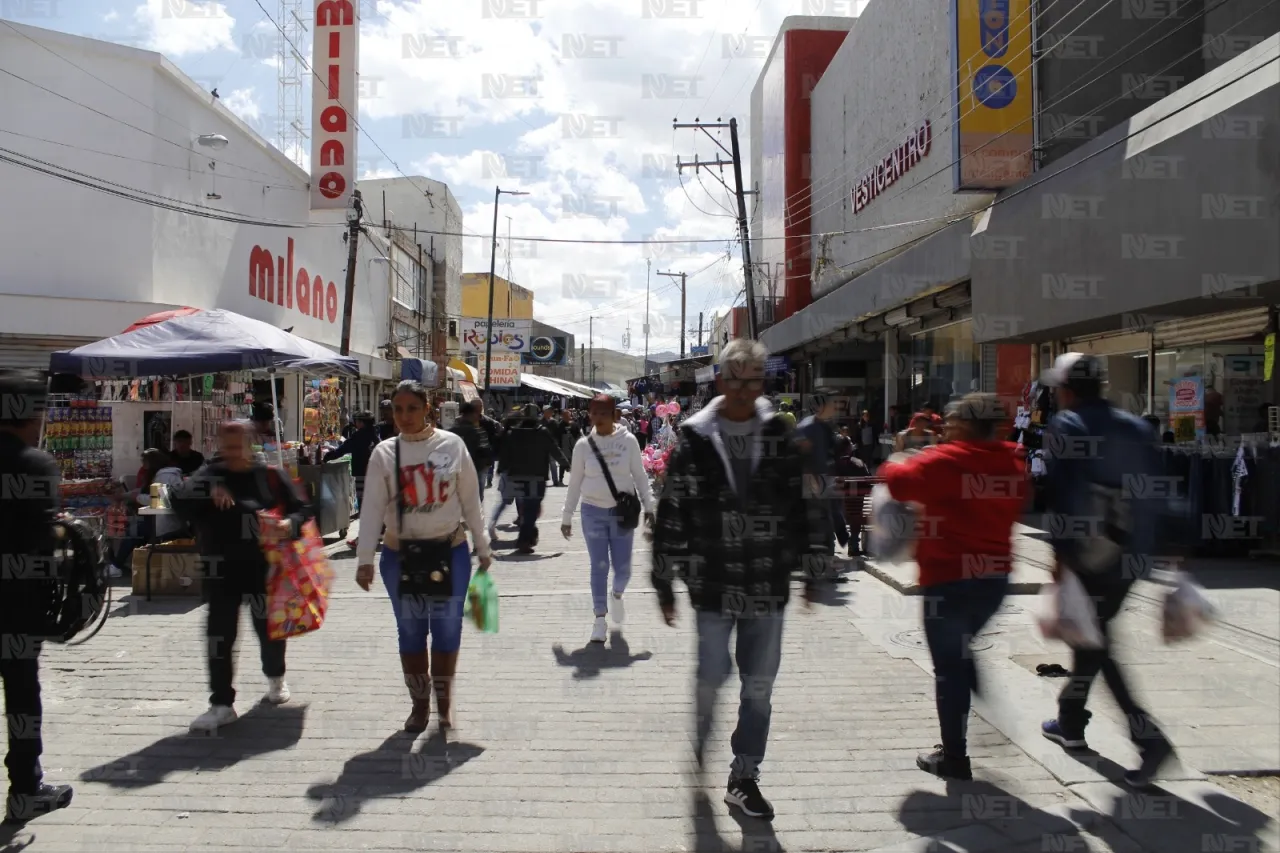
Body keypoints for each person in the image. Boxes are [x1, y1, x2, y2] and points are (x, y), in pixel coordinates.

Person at [652, 340, 826, 820]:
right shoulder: (695, 439)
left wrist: (814, 568)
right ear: (721, 381)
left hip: (767, 585)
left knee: (759, 687)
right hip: (711, 585)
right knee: (711, 678)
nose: (746, 389)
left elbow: (803, 506)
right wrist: (664, 580)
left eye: (755, 380)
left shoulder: (778, 437)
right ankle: (702, 742)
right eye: (737, 379)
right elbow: (672, 512)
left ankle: (743, 776)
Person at [1037, 353, 1176, 788]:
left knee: (1097, 644)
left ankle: (1150, 741)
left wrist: (1060, 560)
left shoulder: (1067, 426)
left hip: (1090, 553)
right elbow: (1161, 488)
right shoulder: (1136, 426)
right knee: (1091, 638)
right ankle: (1071, 722)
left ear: (1066, 391)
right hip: (1134, 554)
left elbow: (1060, 497)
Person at [878, 394, 1026, 780]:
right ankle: (980, 700)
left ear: (965, 425)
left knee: (949, 669)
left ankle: (955, 757)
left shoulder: (946, 461)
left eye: (952, 420)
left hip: (947, 579)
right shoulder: (1012, 463)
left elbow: (896, 483)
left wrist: (901, 452)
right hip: (994, 581)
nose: (945, 426)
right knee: (959, 654)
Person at [354, 381, 492, 732]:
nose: (404, 417)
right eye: (398, 410)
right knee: (411, 633)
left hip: (450, 550)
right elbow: (371, 509)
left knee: (447, 631)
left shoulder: (452, 445)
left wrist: (483, 543)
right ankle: (419, 706)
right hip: (401, 556)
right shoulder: (384, 453)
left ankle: (444, 706)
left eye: (412, 408)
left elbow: (470, 499)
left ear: (428, 407)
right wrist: (365, 559)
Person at [170, 420, 311, 733]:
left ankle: (276, 677)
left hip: (265, 569)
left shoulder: (269, 475)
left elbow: (302, 510)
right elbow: (177, 497)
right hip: (221, 570)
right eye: (227, 446)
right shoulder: (210, 473)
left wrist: (288, 525)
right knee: (219, 636)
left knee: (269, 631)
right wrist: (209, 489)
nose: (233, 452)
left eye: (239, 445)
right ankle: (221, 704)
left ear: (251, 443)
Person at [0, 368, 74, 824]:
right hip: (16, 605)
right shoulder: (35, 464)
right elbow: (46, 541)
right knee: (22, 694)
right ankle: (25, 788)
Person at [561, 394, 656, 644]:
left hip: (621, 513)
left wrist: (650, 506)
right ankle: (599, 619)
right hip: (592, 512)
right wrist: (566, 515)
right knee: (599, 565)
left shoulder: (629, 441)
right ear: (589, 415)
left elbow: (640, 476)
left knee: (623, 569)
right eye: (595, 413)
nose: (599, 418)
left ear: (615, 415)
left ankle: (617, 594)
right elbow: (575, 482)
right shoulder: (583, 446)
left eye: (604, 413)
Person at [498, 404, 570, 554]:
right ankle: (524, 539)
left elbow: (505, 452)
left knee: (528, 507)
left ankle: (529, 534)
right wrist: (566, 464)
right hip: (537, 475)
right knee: (532, 507)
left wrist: (502, 468)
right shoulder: (541, 432)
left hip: (517, 475)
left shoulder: (514, 432)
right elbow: (554, 449)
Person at [796, 395, 849, 570]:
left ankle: (827, 562)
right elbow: (800, 457)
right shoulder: (808, 427)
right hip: (813, 482)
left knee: (828, 522)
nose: (835, 408)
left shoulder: (825, 426)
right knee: (817, 524)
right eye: (831, 405)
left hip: (826, 480)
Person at [323, 412, 381, 515]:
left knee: (363, 502)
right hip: (375, 474)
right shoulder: (376, 435)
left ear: (362, 423)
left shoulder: (359, 436)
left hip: (360, 473)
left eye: (357, 421)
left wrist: (326, 457)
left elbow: (343, 449)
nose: (355, 423)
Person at [447, 402, 495, 503]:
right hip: (476, 467)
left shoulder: (451, 431)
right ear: (470, 415)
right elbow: (482, 448)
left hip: (457, 468)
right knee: (477, 494)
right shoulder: (475, 431)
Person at [477, 399, 504, 489]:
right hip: (486, 452)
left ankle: (489, 481)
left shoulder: (492, 422)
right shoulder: (493, 422)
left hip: (487, 452)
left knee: (488, 469)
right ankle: (488, 481)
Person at [542, 405, 566, 487]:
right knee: (543, 464)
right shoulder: (540, 421)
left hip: (552, 445)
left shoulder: (554, 422)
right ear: (544, 412)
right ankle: (543, 481)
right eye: (548, 411)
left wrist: (557, 443)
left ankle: (555, 481)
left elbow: (558, 433)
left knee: (553, 464)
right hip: (543, 446)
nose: (550, 413)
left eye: (551, 411)